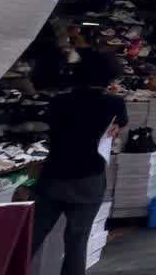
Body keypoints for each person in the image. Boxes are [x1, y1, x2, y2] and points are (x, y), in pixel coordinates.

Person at [31, 51, 127, 275]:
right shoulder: (114, 104)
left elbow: (49, 125)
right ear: (110, 76)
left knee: (32, 236)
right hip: (89, 177)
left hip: (54, 174)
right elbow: (119, 124)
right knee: (77, 239)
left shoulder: (59, 102)